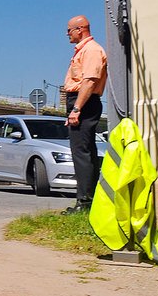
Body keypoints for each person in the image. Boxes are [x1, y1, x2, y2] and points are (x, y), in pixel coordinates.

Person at [61, 14, 107, 215]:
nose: (67, 34)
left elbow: (89, 81)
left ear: (80, 29)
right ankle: (85, 200)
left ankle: (86, 203)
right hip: (80, 102)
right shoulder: (83, 50)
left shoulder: (92, 50)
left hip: (84, 103)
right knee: (81, 151)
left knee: (82, 153)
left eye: (69, 30)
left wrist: (77, 109)